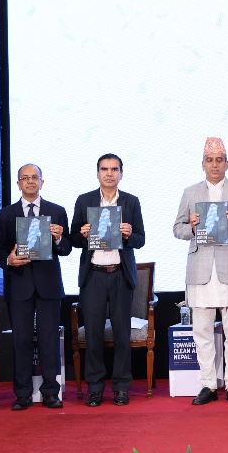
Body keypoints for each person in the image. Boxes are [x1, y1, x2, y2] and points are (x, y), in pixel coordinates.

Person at [173, 137, 228, 405]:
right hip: (201, 270)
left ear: (226, 164)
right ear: (202, 164)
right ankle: (208, 384)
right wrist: (193, 227)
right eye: (209, 160)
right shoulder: (190, 193)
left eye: (219, 160)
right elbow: (177, 229)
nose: (214, 165)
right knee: (202, 332)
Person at [0, 164, 72, 411]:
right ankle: (22, 394)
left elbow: (67, 248)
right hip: (18, 284)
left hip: (48, 285)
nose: (30, 181)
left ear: (42, 182)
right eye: (25, 178)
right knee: (21, 341)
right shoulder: (5, 215)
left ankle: (50, 392)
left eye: (34, 177)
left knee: (50, 340)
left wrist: (58, 238)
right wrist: (8, 260)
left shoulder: (56, 211)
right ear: (18, 183)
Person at [69, 154, 145, 407]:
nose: (109, 173)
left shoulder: (131, 201)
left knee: (122, 334)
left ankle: (121, 387)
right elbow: (72, 240)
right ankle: (95, 387)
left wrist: (129, 234)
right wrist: (82, 235)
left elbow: (141, 240)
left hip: (120, 275)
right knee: (93, 335)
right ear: (98, 173)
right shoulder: (84, 201)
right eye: (104, 169)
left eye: (114, 169)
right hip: (93, 276)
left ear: (121, 173)